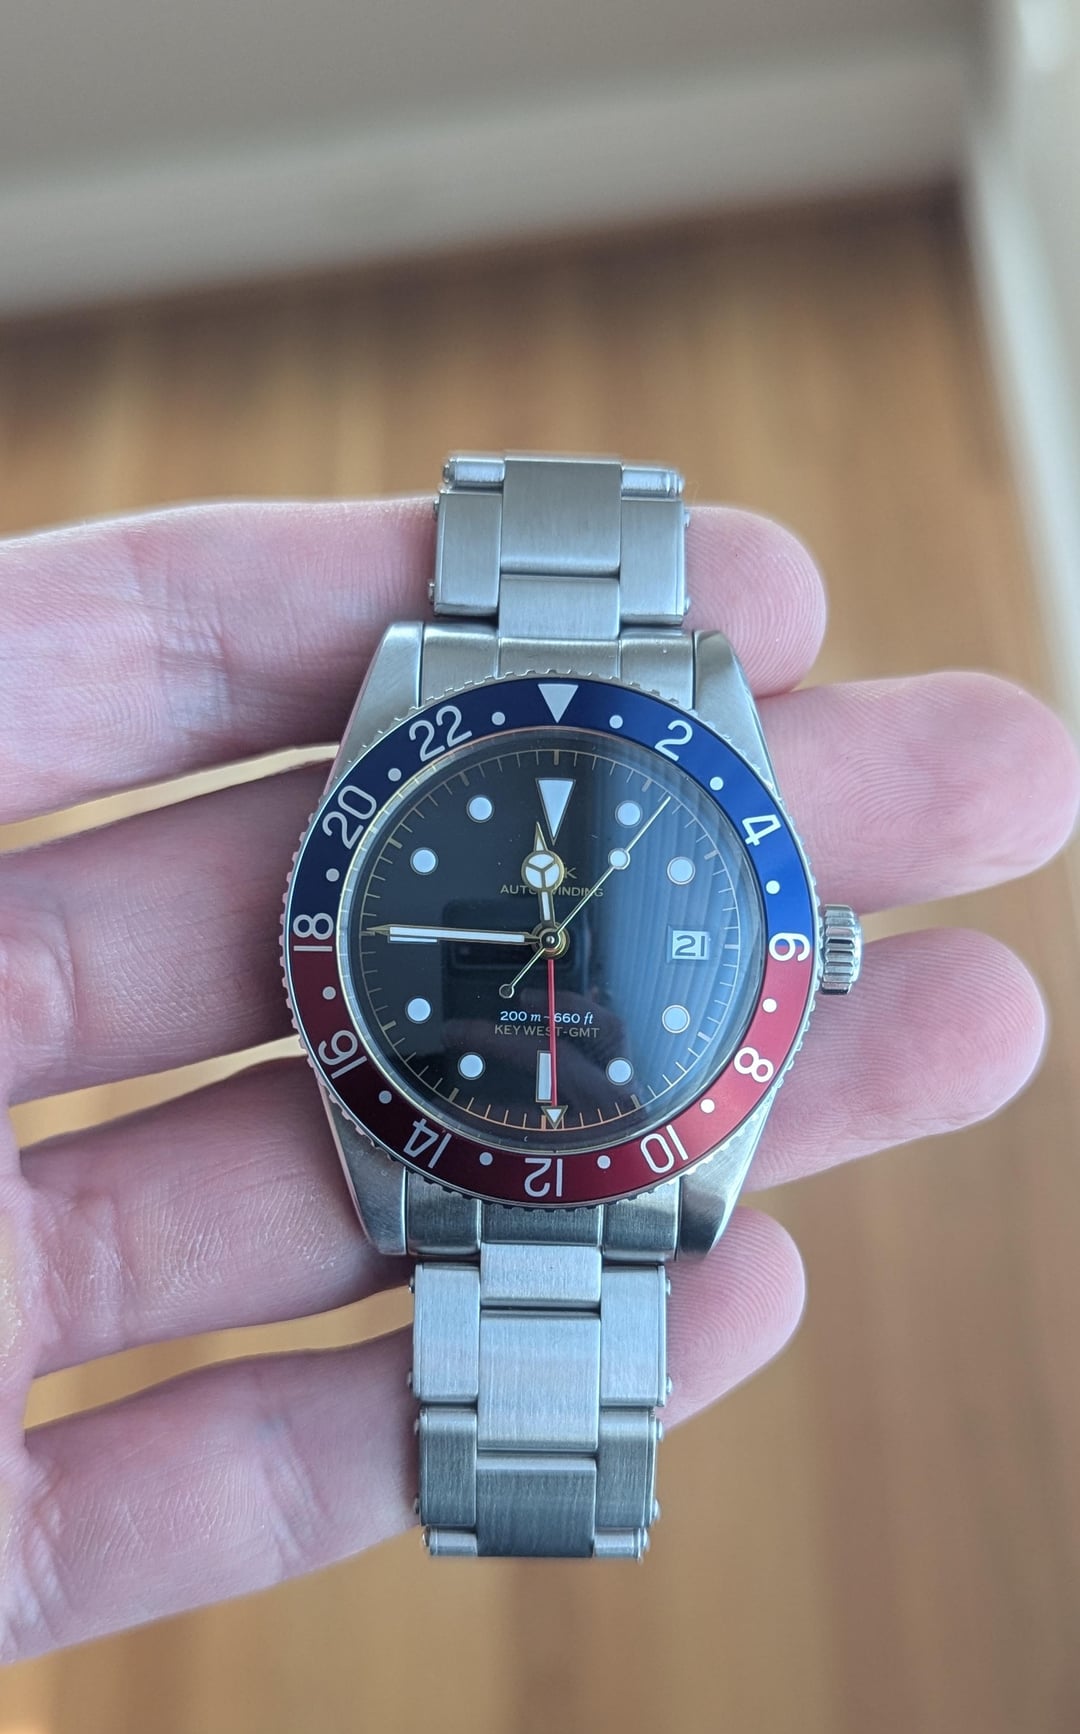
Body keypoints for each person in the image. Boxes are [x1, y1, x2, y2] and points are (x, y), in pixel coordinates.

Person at [0, 497, 1075, 1661]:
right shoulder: (464, 712)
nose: (552, 946)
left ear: (815, 951)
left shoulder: (635, 793)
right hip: (446, 1121)